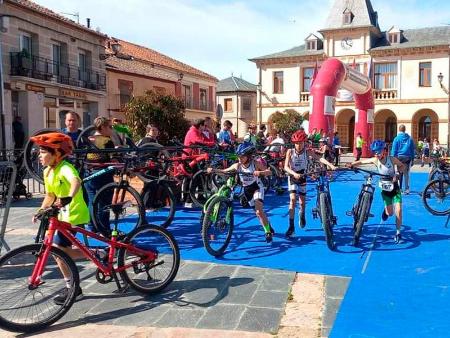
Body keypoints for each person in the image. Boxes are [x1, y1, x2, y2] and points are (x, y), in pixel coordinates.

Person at [30, 132, 89, 304]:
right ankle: (95, 256)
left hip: (74, 213)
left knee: (57, 250)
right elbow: (50, 195)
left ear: (56, 154)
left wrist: (69, 197)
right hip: (60, 214)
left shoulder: (65, 167)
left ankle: (73, 287)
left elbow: (75, 181)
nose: (39, 156)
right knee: (58, 252)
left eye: (42, 152)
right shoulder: (48, 172)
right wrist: (40, 210)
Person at [207, 142, 274, 242]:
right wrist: (213, 170)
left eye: (242, 156)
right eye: (238, 156)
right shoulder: (237, 165)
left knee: (259, 211)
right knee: (257, 213)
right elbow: (225, 171)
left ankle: (267, 232)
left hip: (256, 187)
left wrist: (261, 172)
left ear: (248, 156)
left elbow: (269, 172)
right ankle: (268, 225)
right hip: (247, 190)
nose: (239, 158)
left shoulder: (255, 163)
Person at [349, 140, 406, 243]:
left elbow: (403, 166)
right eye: (375, 152)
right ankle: (386, 211)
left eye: (379, 152)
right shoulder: (375, 160)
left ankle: (398, 233)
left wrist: (397, 174)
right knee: (390, 213)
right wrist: (353, 164)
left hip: (395, 187)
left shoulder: (392, 159)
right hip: (385, 189)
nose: (377, 154)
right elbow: (362, 162)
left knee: (399, 211)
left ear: (384, 151)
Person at [284, 130, 336, 237]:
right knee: (293, 200)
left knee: (302, 203)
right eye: (296, 143)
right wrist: (293, 173)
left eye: (300, 143)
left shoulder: (307, 152)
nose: (298, 145)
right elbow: (285, 167)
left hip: (302, 176)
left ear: (304, 142)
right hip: (292, 176)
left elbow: (320, 158)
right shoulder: (290, 151)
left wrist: (330, 165)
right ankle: (291, 226)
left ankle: (302, 214)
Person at [85, 117, 116, 236]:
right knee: (105, 203)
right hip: (103, 174)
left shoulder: (89, 139)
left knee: (92, 202)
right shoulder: (106, 141)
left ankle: (92, 227)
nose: (111, 130)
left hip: (89, 174)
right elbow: (112, 158)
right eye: (109, 127)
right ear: (102, 127)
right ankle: (104, 228)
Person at [390, 125, 415, 194]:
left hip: (399, 157)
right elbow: (412, 150)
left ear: (399, 130)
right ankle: (406, 189)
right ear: (405, 129)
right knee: (406, 173)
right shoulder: (410, 139)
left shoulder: (396, 139)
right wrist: (413, 159)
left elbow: (394, 150)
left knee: (399, 173)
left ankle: (399, 188)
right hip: (407, 157)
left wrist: (392, 158)